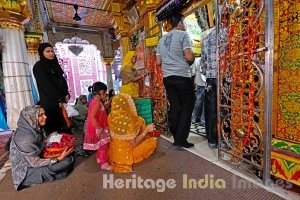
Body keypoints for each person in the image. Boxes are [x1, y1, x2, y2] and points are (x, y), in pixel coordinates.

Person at [9, 105, 74, 191]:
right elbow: (35, 163)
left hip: (40, 158)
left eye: (44, 114)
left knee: (69, 157)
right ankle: (55, 174)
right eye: (40, 115)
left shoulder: (36, 128)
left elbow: (44, 144)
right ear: (31, 118)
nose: (45, 117)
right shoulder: (25, 138)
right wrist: (58, 158)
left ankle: (58, 172)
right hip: (27, 171)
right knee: (66, 162)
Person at [156, 13, 195, 148]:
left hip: (168, 78)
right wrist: (191, 59)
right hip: (182, 76)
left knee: (175, 106)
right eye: (183, 23)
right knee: (187, 106)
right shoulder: (183, 35)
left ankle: (175, 135)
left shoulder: (161, 40)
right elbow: (189, 57)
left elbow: (158, 61)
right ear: (179, 23)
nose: (184, 26)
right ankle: (181, 139)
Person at [108, 93, 157, 173]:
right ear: (126, 105)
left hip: (115, 153)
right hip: (127, 154)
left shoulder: (111, 116)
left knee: (140, 120)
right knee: (152, 141)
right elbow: (133, 144)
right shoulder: (127, 121)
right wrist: (147, 130)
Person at [33, 43, 70, 134]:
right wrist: (59, 98)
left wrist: (66, 94)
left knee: (64, 127)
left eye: (52, 51)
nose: (51, 53)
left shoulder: (55, 65)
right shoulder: (39, 66)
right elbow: (46, 85)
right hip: (50, 103)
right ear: (42, 53)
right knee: (53, 129)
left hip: (61, 101)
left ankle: (64, 146)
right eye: (48, 51)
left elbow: (62, 81)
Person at [83, 82, 112, 170]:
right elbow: (92, 116)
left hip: (98, 126)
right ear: (101, 92)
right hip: (98, 127)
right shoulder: (97, 103)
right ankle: (104, 163)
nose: (106, 95)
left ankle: (99, 157)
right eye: (105, 93)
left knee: (100, 144)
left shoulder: (95, 101)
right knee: (104, 145)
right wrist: (98, 128)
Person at [191, 57, 206, 127]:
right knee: (202, 103)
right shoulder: (198, 60)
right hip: (204, 84)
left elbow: (193, 72)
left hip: (202, 83)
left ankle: (195, 118)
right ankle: (201, 119)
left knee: (199, 102)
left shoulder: (197, 60)